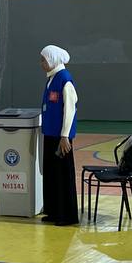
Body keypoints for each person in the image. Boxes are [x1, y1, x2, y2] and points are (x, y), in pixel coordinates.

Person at [40, 44, 79, 226]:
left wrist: (65, 136)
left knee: (63, 176)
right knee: (51, 175)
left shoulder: (64, 79)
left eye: (43, 59)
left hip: (60, 138)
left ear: (53, 59)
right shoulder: (51, 78)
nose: (41, 63)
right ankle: (54, 211)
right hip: (50, 135)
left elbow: (70, 110)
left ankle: (67, 215)